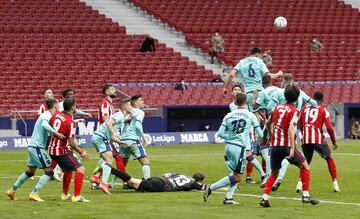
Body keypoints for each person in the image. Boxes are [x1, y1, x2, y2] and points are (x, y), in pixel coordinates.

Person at [260, 85, 319, 207]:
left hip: (275, 147)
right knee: (305, 167)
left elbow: (268, 122)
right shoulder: (295, 111)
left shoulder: (277, 108)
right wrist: (292, 147)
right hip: (286, 146)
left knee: (274, 174)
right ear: (297, 98)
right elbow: (291, 129)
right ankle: (306, 195)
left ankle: (264, 198)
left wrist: (271, 136)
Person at [203, 93, 263, 205]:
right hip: (239, 148)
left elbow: (220, 133)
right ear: (246, 102)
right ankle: (210, 187)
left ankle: (228, 198)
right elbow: (259, 134)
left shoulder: (228, 115)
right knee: (238, 177)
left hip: (228, 146)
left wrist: (230, 137)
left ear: (235, 102)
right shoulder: (250, 115)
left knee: (236, 174)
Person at [6, 99, 65, 202]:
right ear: (55, 106)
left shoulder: (48, 115)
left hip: (33, 146)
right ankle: (34, 193)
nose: (59, 108)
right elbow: (44, 125)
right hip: (37, 147)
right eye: (58, 106)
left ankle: (12, 190)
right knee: (49, 172)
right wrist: (56, 133)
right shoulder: (47, 114)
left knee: (30, 172)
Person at [266, 73, 318, 191]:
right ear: (293, 81)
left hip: (277, 125)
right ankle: (281, 180)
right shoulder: (300, 93)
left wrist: (277, 112)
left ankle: (270, 178)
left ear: (283, 82)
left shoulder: (279, 92)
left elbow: (269, 108)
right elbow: (314, 103)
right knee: (289, 153)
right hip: (292, 127)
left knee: (269, 150)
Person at [48, 98, 91, 202]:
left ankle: (65, 194)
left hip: (52, 150)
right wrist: (81, 151)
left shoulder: (55, 115)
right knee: (80, 169)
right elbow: (71, 142)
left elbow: (50, 129)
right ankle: (76, 196)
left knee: (68, 170)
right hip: (62, 150)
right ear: (73, 107)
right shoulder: (71, 122)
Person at [297, 91, 340, 192]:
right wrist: (334, 142)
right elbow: (329, 128)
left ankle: (299, 184)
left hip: (306, 139)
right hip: (318, 139)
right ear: (322, 100)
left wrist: (303, 137)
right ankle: (335, 183)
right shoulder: (323, 110)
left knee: (305, 162)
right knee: (329, 158)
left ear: (312, 98)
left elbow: (301, 124)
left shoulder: (304, 109)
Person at [91, 99, 133, 194]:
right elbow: (109, 124)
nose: (131, 107)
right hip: (101, 138)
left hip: (99, 137)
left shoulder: (120, 116)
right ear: (124, 106)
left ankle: (95, 177)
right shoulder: (120, 115)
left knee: (106, 160)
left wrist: (119, 142)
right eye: (130, 105)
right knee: (109, 160)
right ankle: (103, 184)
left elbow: (109, 131)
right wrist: (114, 133)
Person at [222, 47, 283, 112]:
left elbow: (231, 75)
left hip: (249, 93)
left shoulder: (241, 62)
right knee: (269, 113)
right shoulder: (259, 61)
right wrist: (279, 74)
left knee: (255, 115)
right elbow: (269, 76)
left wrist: (225, 87)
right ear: (258, 54)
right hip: (261, 92)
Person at [229, 85, 266, 184]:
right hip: (237, 134)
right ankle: (260, 175)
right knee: (243, 155)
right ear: (232, 93)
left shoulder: (247, 104)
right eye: (235, 89)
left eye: (238, 90)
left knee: (250, 154)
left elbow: (255, 113)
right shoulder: (232, 105)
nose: (236, 91)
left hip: (248, 133)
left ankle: (253, 176)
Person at [252, 75, 281, 180]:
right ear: (271, 81)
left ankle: (269, 175)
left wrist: (255, 97)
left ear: (262, 83)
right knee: (275, 145)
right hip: (281, 120)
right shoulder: (279, 90)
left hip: (270, 120)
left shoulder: (263, 93)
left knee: (264, 144)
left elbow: (254, 106)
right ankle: (274, 174)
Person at [92, 167, 205, 192]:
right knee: (132, 181)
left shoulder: (183, 174)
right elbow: (204, 188)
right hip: (161, 186)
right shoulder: (194, 183)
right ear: (200, 180)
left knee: (132, 183)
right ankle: (108, 167)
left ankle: (101, 180)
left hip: (160, 180)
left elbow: (167, 174)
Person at [119, 95, 151, 180]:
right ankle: (147, 182)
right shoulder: (139, 112)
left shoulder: (125, 112)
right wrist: (144, 138)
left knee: (122, 165)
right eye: (141, 100)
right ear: (135, 103)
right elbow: (137, 126)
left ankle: (118, 183)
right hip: (133, 140)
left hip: (123, 140)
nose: (143, 102)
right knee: (145, 162)